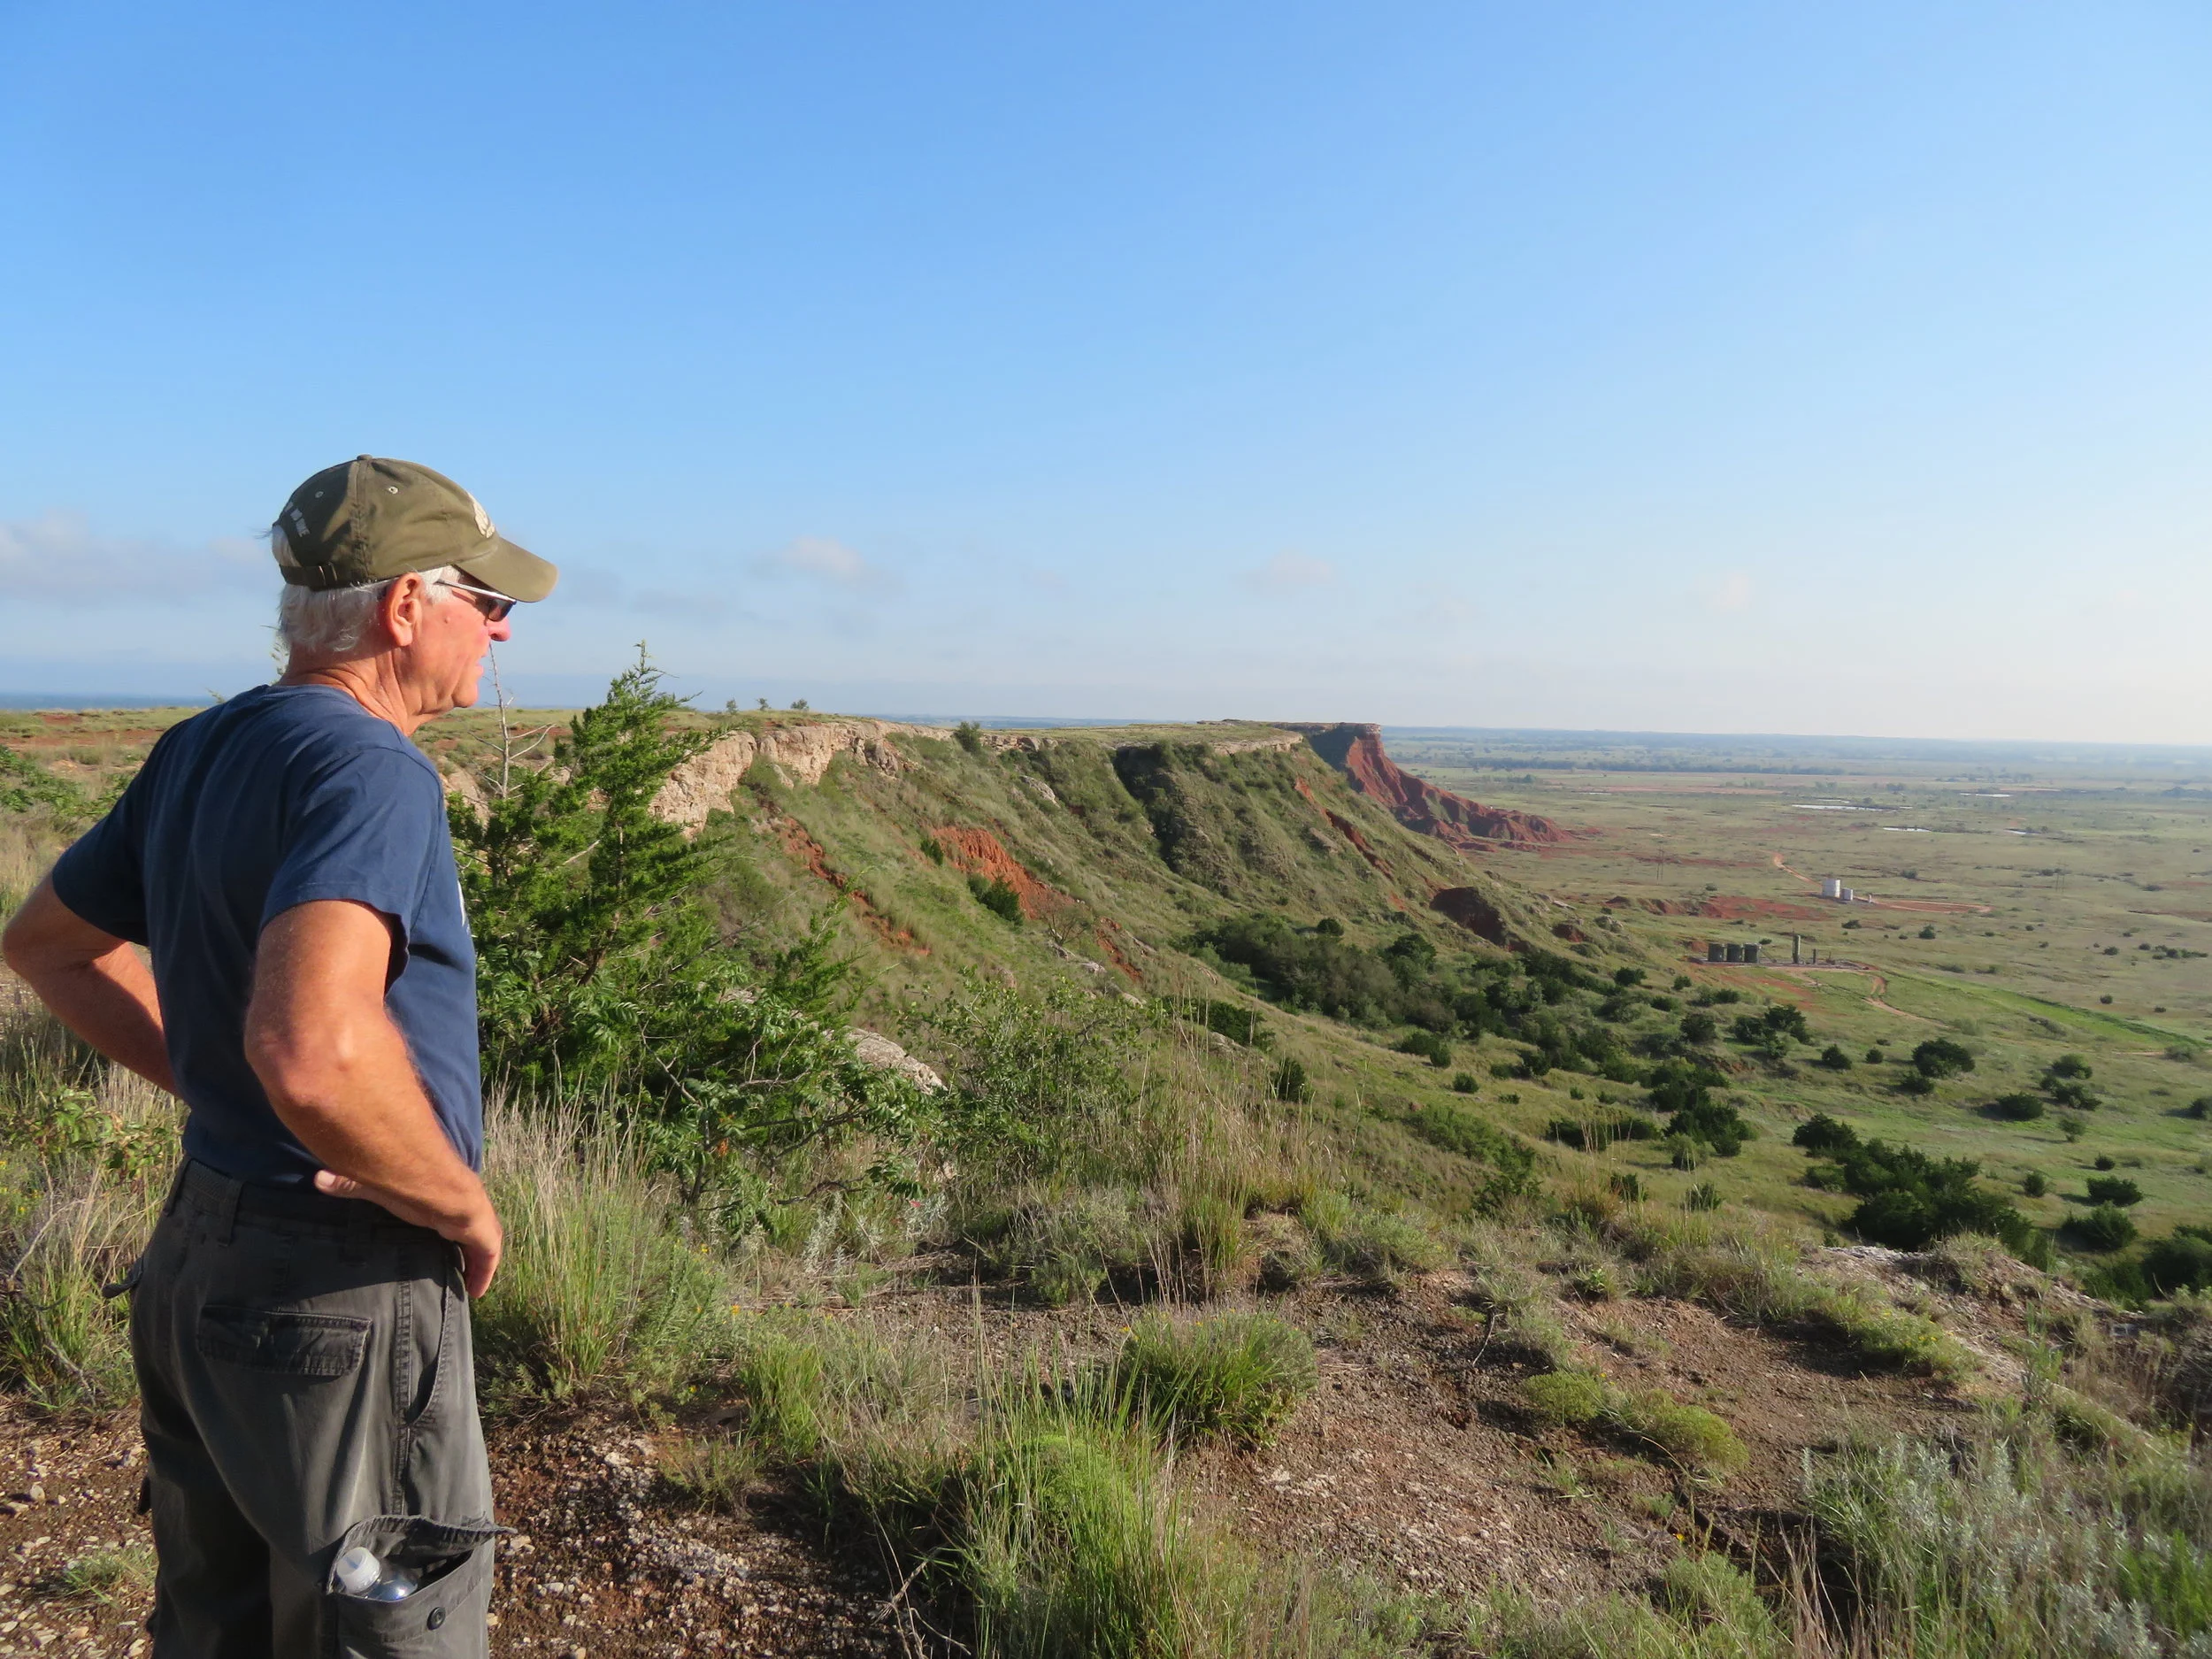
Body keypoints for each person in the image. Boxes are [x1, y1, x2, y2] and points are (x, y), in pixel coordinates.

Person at [0, 456, 557, 1657]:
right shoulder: (374, 768)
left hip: (200, 1250)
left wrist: (219, 1088)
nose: (501, 635)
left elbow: (44, 947)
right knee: (386, 1632)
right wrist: (458, 1199)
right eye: (489, 603)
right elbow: (309, 1047)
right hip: (335, 1293)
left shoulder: (202, 749)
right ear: (407, 606)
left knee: (221, 1623)